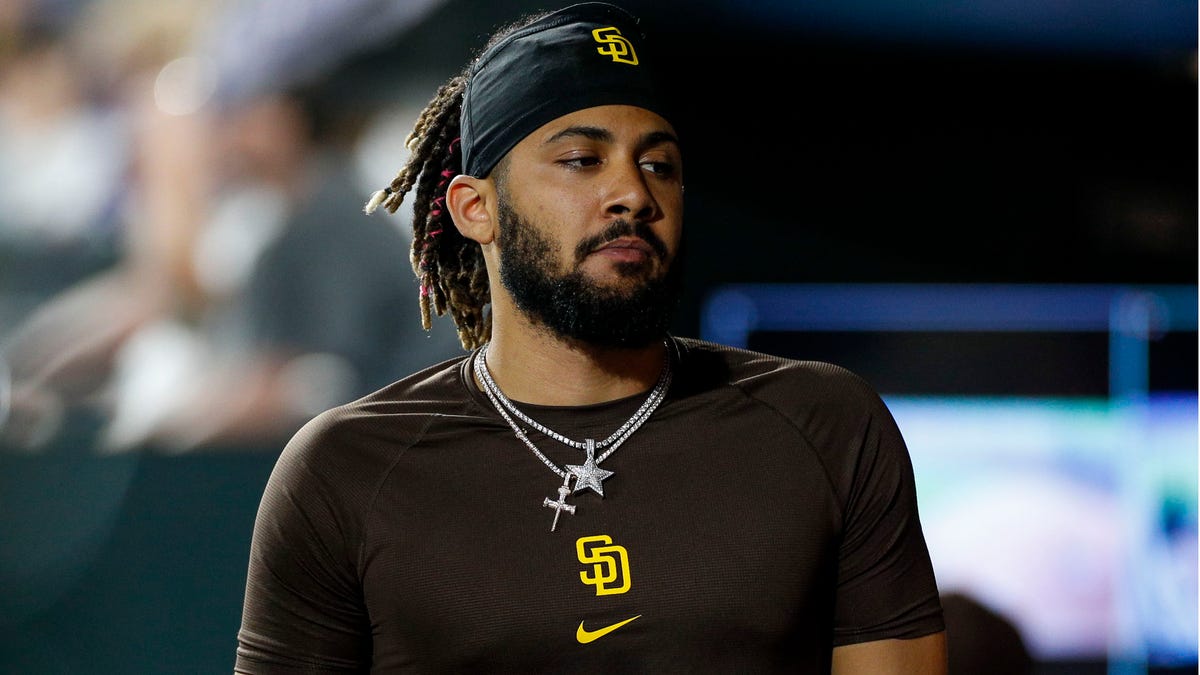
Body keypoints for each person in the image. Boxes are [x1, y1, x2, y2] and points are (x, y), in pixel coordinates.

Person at [235, 3, 947, 673]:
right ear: (475, 208)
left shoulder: (825, 425)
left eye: (659, 164)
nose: (634, 193)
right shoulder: (345, 471)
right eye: (582, 159)